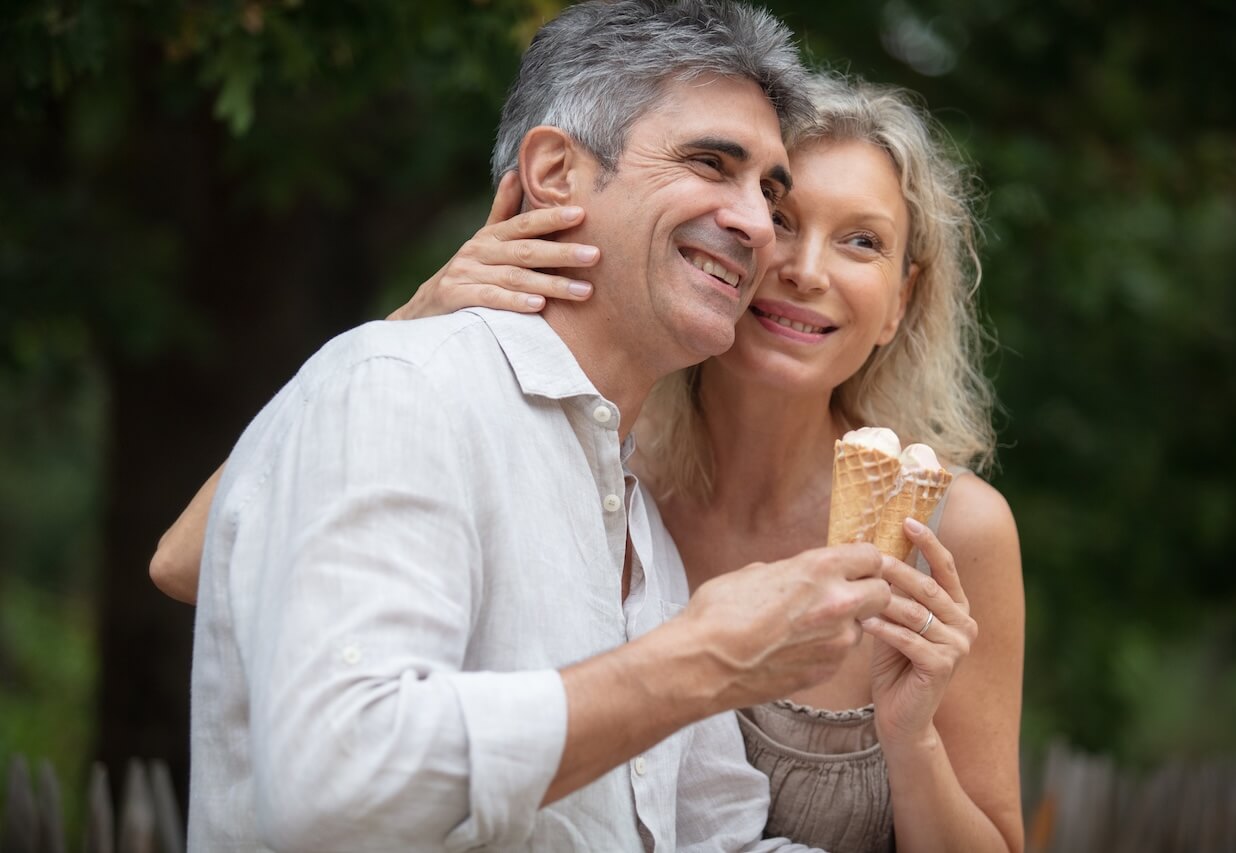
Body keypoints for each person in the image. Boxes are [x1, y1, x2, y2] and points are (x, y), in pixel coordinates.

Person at [176, 1, 901, 850]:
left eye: (768, 192)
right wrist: (703, 661)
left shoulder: (635, 515)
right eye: (712, 163)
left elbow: (720, 839)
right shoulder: (401, 389)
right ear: (556, 173)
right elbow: (338, 781)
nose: (757, 229)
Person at [327, 72, 1027, 853]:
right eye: (782, 220)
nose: (807, 269)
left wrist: (912, 740)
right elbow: (200, 557)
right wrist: (406, 327)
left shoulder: (948, 531)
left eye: (862, 241)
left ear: (901, 298)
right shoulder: (610, 486)